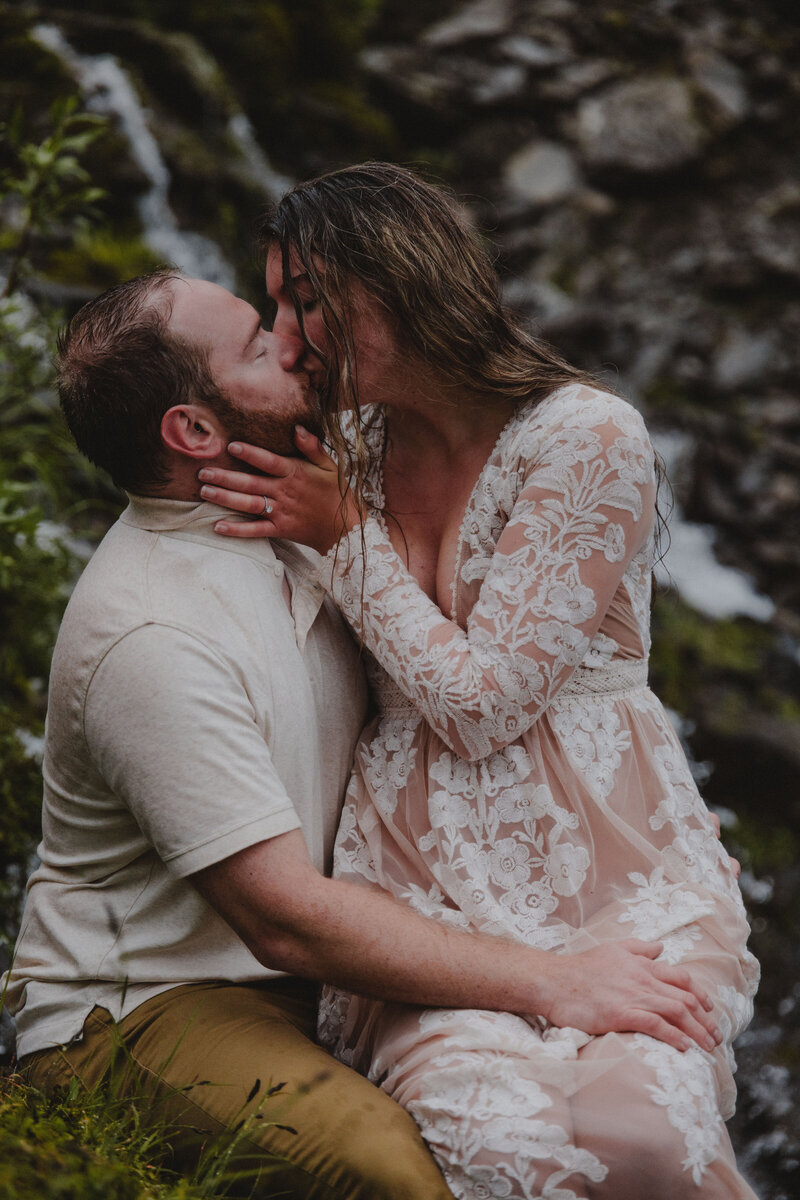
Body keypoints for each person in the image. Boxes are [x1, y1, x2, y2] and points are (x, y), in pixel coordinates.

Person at [2, 269, 720, 1200]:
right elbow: (286, 920)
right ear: (195, 432)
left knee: (607, 1118)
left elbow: (481, 684)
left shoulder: (302, 511)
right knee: (404, 1173)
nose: (293, 345)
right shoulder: (153, 632)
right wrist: (558, 981)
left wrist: (653, 834)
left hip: (340, 959)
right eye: (258, 346)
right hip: (157, 999)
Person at [201, 163, 760, 1199]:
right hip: (425, 897)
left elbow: (482, 706)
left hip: (608, 872)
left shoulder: (584, 435)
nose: (284, 340)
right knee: (514, 1153)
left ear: (397, 283)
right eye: (272, 308)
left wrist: (346, 538)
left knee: (645, 1141)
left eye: (306, 301)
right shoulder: (344, 445)